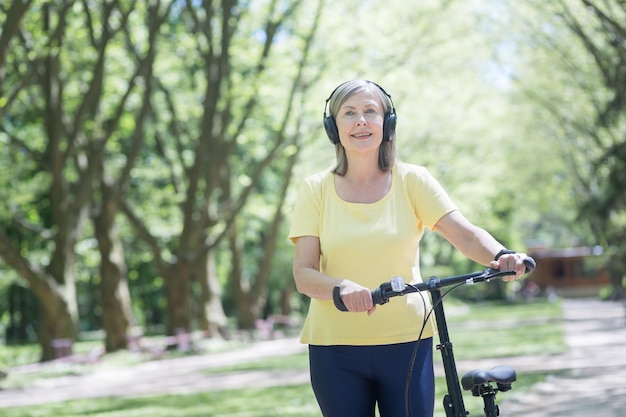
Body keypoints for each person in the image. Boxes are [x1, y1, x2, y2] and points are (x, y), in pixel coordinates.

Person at [288, 79, 530, 417]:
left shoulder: (413, 180)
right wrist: (341, 288)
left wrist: (501, 255)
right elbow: (303, 274)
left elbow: (466, 235)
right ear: (333, 127)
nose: (361, 121)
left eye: (371, 112)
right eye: (349, 113)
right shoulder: (315, 190)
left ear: (387, 123)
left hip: (407, 342)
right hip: (335, 349)